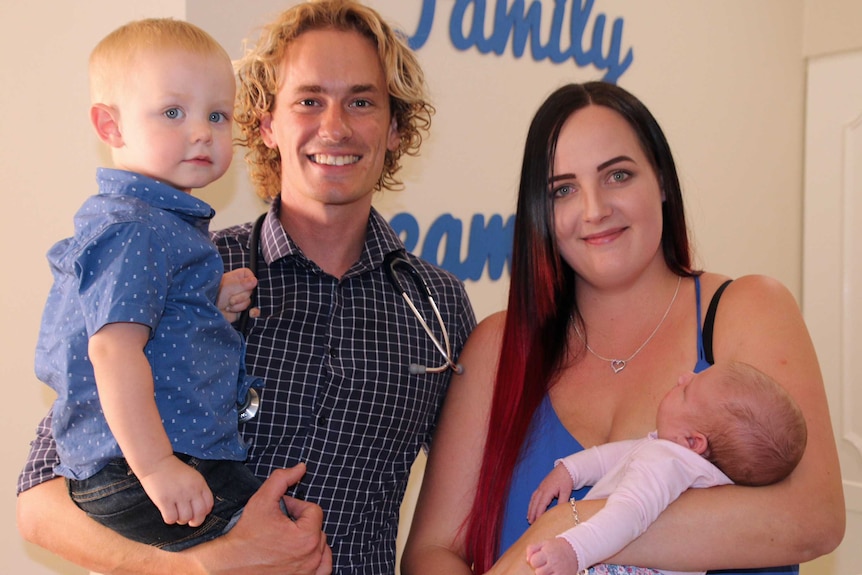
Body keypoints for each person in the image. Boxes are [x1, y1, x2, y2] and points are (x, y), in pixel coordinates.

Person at [17, 2, 475, 574]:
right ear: (265, 124)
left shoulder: (437, 306)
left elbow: (458, 523)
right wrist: (206, 569)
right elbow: (40, 503)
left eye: (362, 101)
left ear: (394, 129)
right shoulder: (185, 266)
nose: (334, 126)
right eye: (309, 100)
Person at [401, 82, 844, 575]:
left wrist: (567, 528)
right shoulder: (496, 347)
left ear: (662, 182)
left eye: (617, 175)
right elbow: (431, 553)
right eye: (563, 189)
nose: (594, 209)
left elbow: (814, 518)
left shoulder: (749, 309)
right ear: (539, 213)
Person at [33, 17, 267, 551]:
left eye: (217, 114)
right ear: (111, 127)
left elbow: (160, 334)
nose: (202, 131)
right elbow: (112, 352)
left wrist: (211, 306)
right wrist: (158, 467)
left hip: (148, 463)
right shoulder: (135, 229)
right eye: (172, 112)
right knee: (285, 540)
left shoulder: (160, 227)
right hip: (141, 468)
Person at [525, 360, 807, 575]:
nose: (683, 377)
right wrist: (571, 470)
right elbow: (623, 454)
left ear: (693, 441)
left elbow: (627, 515)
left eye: (686, 391)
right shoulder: (686, 465)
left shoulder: (666, 463)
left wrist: (573, 550)